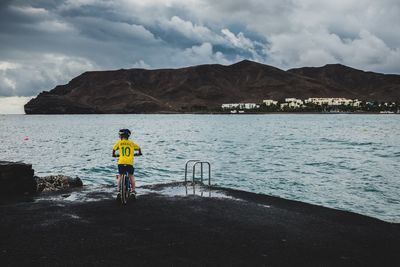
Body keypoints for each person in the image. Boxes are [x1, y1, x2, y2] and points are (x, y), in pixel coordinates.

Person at [112, 129, 142, 196]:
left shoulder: (119, 143)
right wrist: (139, 153)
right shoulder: (131, 143)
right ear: (128, 136)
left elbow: (114, 149)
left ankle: (119, 190)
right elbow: (139, 148)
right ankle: (133, 191)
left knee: (120, 175)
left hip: (121, 162)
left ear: (120, 136)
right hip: (129, 163)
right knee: (131, 176)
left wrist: (114, 155)